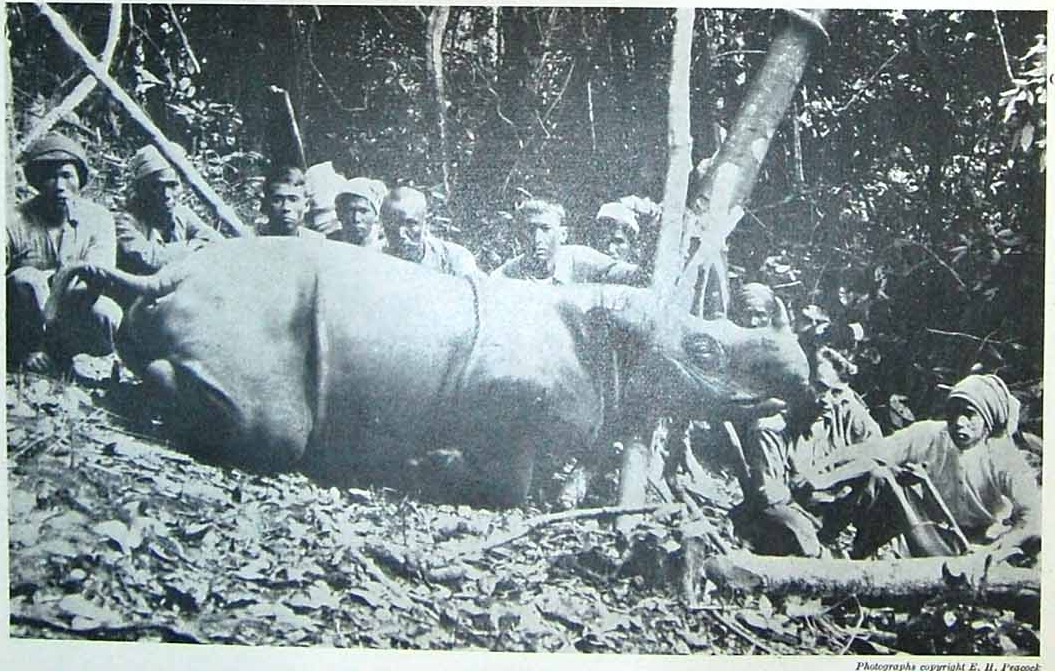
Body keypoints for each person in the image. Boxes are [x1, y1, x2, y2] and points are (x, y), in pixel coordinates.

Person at [800, 373, 1041, 560]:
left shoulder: (1002, 456)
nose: (959, 423)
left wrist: (997, 550)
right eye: (953, 413)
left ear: (987, 422)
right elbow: (874, 450)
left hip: (979, 542)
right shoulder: (929, 434)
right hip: (926, 529)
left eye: (969, 415)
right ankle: (846, 552)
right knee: (878, 475)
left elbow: (1033, 515)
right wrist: (821, 472)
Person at [732, 346, 882, 557]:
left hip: (826, 506)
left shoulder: (841, 407)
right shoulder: (771, 427)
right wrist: (809, 519)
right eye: (820, 387)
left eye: (836, 391)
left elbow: (879, 451)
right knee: (807, 546)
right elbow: (771, 495)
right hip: (786, 510)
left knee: (879, 478)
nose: (828, 399)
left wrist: (828, 478)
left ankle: (856, 552)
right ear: (801, 382)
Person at [7, 133, 123, 373]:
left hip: (73, 308)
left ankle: (73, 356)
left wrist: (60, 288)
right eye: (50, 177)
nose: (59, 186)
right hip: (24, 320)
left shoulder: (99, 219)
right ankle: (25, 353)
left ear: (79, 179)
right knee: (25, 278)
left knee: (106, 312)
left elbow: (97, 277)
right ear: (37, 181)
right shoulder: (14, 221)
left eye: (67, 176)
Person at [115, 144, 223, 274]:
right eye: (156, 186)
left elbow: (218, 243)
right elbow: (148, 259)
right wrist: (195, 246)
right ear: (141, 189)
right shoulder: (124, 222)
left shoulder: (181, 214)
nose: (166, 194)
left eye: (172, 185)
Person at [492, 198, 644, 285]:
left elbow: (636, 275)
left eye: (546, 229)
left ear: (563, 235)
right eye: (530, 230)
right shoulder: (503, 278)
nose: (537, 239)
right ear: (519, 235)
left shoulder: (580, 258)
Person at [381, 186, 480, 278]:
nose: (400, 233)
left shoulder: (454, 257)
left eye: (410, 224)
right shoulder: (377, 258)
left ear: (424, 222)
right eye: (392, 224)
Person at [257, 166, 323, 239]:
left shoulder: (316, 242)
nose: (286, 207)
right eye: (277, 200)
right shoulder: (251, 238)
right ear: (265, 204)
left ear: (306, 205)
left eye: (293, 200)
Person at [334, 177, 387, 250]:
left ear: (376, 216)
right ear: (339, 213)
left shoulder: (384, 250)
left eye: (363, 211)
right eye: (350, 210)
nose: (356, 218)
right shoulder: (329, 244)